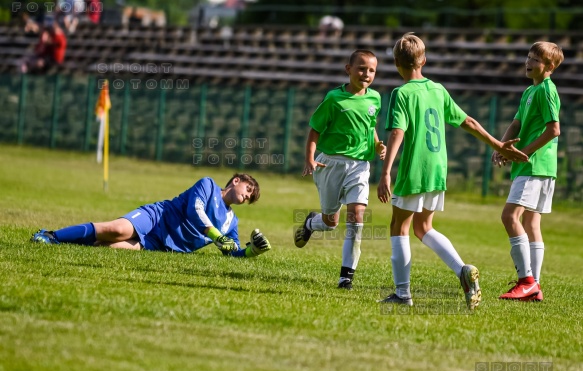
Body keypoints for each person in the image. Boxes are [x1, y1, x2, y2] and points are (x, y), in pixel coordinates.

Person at [376, 33, 529, 310]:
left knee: (399, 226)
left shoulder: (401, 93)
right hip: (437, 169)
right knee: (424, 227)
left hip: (415, 169)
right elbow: (467, 121)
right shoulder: (437, 89)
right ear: (423, 60)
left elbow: (397, 132)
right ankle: (463, 270)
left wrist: (386, 172)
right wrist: (498, 144)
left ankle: (402, 293)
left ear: (396, 62)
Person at [294, 49, 387, 290]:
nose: (366, 73)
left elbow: (370, 126)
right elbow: (314, 129)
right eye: (361, 68)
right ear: (348, 69)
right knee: (330, 222)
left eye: (372, 70)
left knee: (357, 216)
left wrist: (377, 144)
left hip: (360, 166)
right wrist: (310, 159)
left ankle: (346, 276)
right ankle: (311, 223)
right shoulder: (334, 99)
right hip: (330, 163)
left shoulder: (375, 98)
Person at [30, 173, 272, 257]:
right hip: (157, 217)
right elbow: (194, 211)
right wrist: (216, 236)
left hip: (161, 245)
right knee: (116, 230)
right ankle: (51, 236)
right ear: (236, 181)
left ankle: (67, 243)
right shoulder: (207, 185)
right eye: (248, 190)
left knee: (108, 247)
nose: (247, 197)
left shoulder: (232, 222)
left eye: (250, 198)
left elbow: (232, 251)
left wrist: (253, 251)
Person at [493, 42, 564, 302]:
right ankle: (535, 287)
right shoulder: (529, 91)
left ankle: (526, 281)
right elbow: (516, 123)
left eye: (536, 59)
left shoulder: (547, 90)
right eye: (528, 56)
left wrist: (526, 152)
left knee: (509, 216)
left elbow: (554, 129)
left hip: (535, 165)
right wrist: (501, 146)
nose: (529, 61)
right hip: (532, 165)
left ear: (550, 66)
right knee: (531, 223)